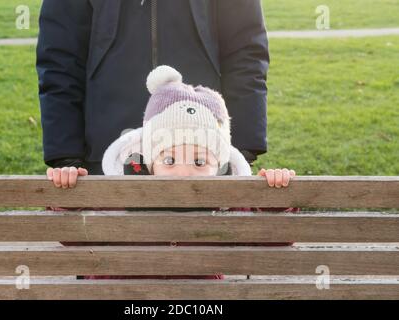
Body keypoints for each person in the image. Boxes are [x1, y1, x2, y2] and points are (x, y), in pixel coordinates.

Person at [47, 66, 298, 280]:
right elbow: (73, 237)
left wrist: (275, 200)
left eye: (200, 162)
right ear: (150, 162)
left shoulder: (226, 207)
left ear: (220, 166)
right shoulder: (119, 198)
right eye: (169, 159)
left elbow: (274, 241)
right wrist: (68, 196)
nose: (184, 173)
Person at [37, 0, 270, 175]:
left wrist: (242, 148)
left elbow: (246, 54)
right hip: (107, 153)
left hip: (202, 153)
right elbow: (60, 59)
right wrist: (66, 154)